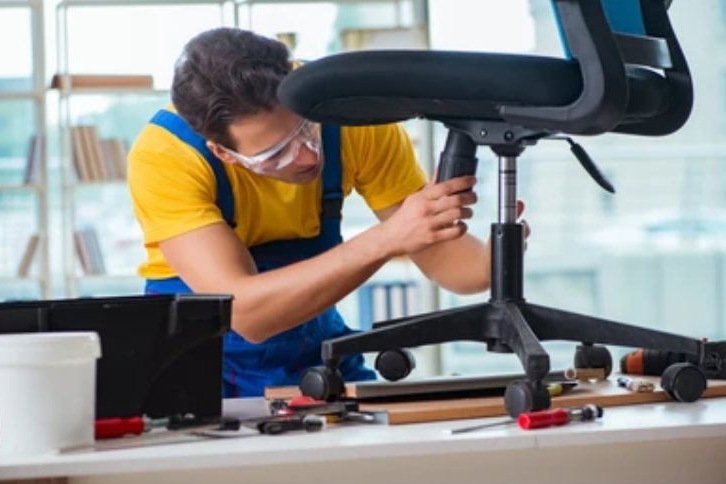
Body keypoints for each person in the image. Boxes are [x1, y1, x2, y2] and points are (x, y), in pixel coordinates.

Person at [127, 27, 531, 398]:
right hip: (201, 365)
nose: (305, 156)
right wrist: (388, 239)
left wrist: (493, 260)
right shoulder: (165, 157)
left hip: (316, 351)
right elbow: (247, 315)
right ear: (223, 153)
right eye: (274, 153)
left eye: (305, 128)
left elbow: (447, 263)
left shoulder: (350, 117)